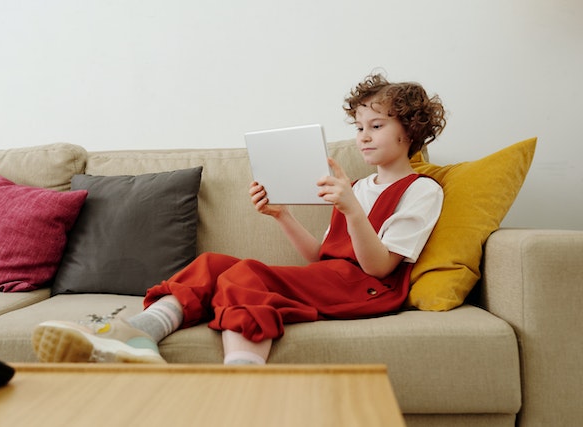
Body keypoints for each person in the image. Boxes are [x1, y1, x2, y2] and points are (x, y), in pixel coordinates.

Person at [32, 72, 447, 365]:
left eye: (376, 125)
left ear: (409, 131)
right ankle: (141, 334)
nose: (364, 137)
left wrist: (352, 211)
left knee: (244, 275)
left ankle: (244, 376)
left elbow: (380, 266)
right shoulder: (356, 186)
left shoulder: (421, 190)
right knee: (213, 264)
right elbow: (322, 258)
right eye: (359, 127)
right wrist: (281, 215)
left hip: (370, 289)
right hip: (337, 278)